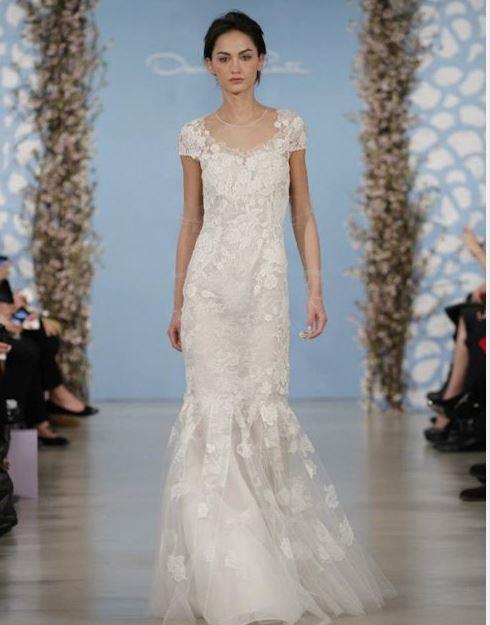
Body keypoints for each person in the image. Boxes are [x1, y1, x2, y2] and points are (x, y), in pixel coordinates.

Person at [148, 10, 397, 624]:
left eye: (245, 55)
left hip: (265, 292)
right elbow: (190, 220)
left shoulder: (289, 127)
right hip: (209, 291)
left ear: (262, 60)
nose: (235, 67)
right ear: (208, 66)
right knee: (211, 419)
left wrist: (316, 288)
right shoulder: (194, 135)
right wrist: (178, 301)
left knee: (262, 417)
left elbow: (303, 213)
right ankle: (226, 576)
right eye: (223, 57)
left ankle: (264, 564)